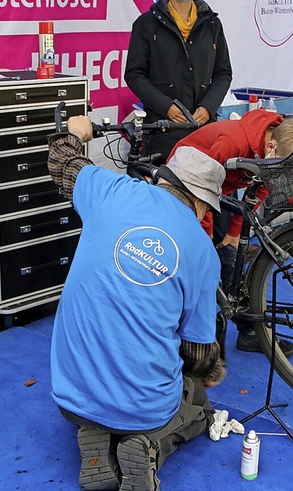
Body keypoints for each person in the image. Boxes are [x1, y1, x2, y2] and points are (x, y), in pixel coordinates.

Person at [47, 116, 226, 491]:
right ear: (199, 202)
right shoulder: (203, 252)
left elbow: (60, 159)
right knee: (198, 402)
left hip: (69, 394)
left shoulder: (110, 190)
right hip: (143, 410)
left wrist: (77, 133)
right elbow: (196, 351)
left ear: (164, 178)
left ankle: (95, 432)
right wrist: (210, 368)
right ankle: (147, 445)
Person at [167, 108, 293, 356]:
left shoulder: (275, 146)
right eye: (278, 168)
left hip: (221, 187)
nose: (278, 176)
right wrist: (203, 242)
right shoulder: (232, 141)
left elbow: (262, 188)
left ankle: (248, 332)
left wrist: (234, 233)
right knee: (198, 266)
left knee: (231, 260)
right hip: (186, 185)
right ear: (270, 147)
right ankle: (186, 339)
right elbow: (199, 191)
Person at [124, 0, 232, 161]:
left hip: (203, 130)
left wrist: (208, 107)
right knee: (164, 189)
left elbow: (223, 73)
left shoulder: (212, 24)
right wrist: (167, 107)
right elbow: (134, 74)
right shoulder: (146, 24)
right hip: (162, 131)